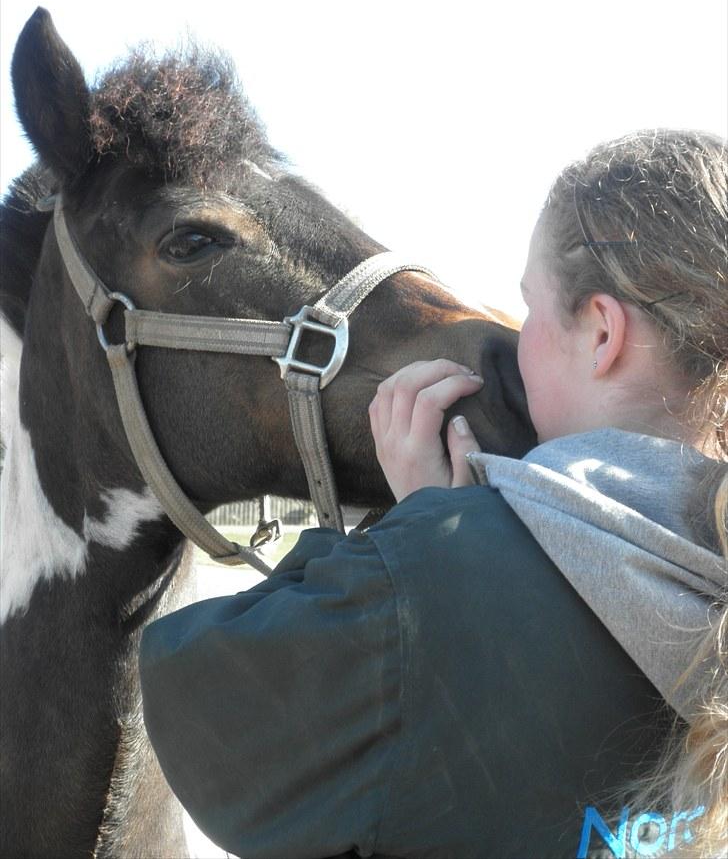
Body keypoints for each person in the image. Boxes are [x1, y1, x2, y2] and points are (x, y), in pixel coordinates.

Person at [139, 129, 727, 859]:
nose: (512, 337)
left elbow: (195, 709)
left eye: (531, 310)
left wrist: (421, 535)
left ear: (602, 333)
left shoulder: (427, 575)